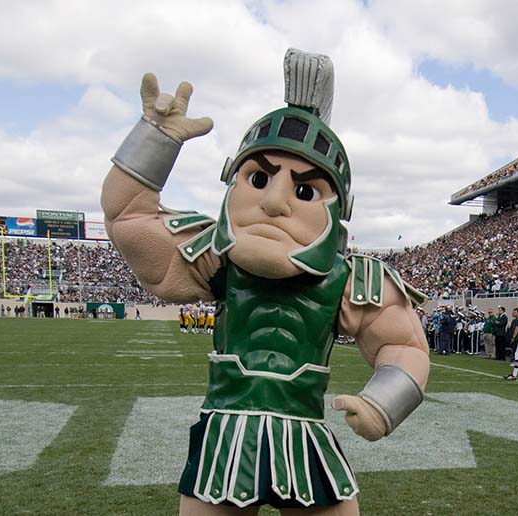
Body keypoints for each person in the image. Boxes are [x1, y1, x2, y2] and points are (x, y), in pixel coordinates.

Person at [103, 50, 429, 514]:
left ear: (337, 210)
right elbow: (128, 218)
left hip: (304, 435)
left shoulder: (352, 278)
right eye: (259, 179)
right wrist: (155, 140)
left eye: (304, 190)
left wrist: (383, 402)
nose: (275, 202)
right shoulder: (217, 258)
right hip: (225, 432)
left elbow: (405, 346)